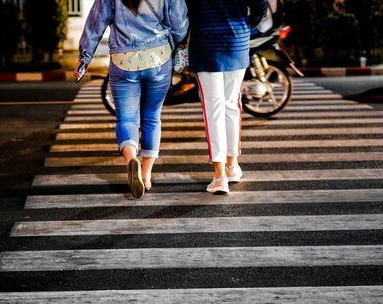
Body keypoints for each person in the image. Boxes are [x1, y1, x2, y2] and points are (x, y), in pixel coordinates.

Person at [73, 0, 189, 199]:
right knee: (152, 116)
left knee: (126, 119)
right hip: (159, 57)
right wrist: (175, 41)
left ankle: (130, 158)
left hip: (123, 59)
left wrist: (84, 59)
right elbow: (179, 25)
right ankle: (146, 175)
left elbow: (95, 23)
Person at [187, 0, 268, 194]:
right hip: (236, 43)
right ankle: (232, 166)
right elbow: (261, 5)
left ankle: (219, 176)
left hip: (206, 46)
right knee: (232, 104)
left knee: (213, 109)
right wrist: (245, 26)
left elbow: (183, 12)